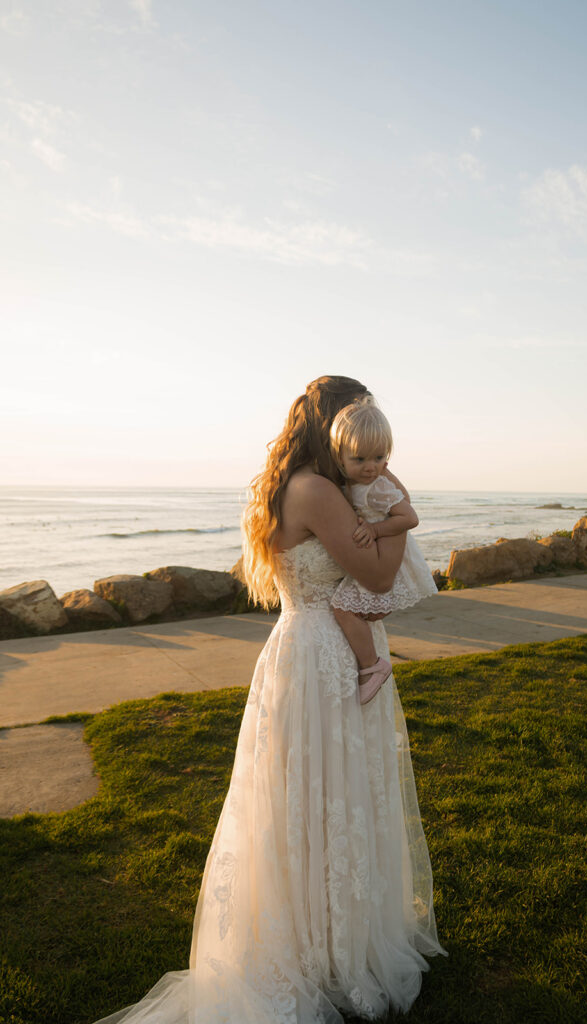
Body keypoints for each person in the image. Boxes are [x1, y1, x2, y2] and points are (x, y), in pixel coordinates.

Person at [92, 375, 445, 1024]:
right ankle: (321, 950)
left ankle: (329, 935)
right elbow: (375, 575)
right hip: (322, 659)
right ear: (334, 426)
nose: (366, 436)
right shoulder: (316, 490)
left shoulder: (301, 484)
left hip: (306, 649)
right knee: (320, 800)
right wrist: (401, 517)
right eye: (357, 421)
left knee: (317, 801)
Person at [328, 401, 437, 705]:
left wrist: (376, 530)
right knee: (355, 611)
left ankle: (371, 665)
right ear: (340, 455)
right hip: (374, 556)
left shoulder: (376, 486)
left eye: (379, 458)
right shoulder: (349, 483)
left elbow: (410, 518)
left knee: (343, 609)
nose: (370, 466)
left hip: (391, 558)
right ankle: (369, 663)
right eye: (360, 458)